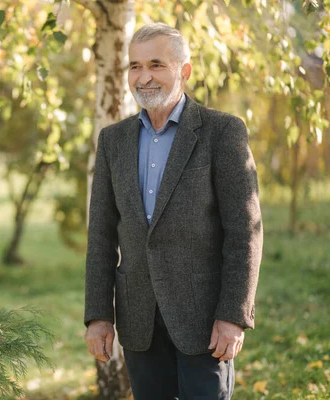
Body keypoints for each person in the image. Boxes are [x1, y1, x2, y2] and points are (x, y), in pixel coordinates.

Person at [83, 23, 263, 399]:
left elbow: (245, 232)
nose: (143, 77)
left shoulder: (222, 132)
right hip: (138, 321)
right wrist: (99, 315)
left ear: (184, 71)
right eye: (134, 66)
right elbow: (100, 235)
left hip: (205, 322)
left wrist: (233, 316)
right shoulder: (113, 140)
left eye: (156, 64)